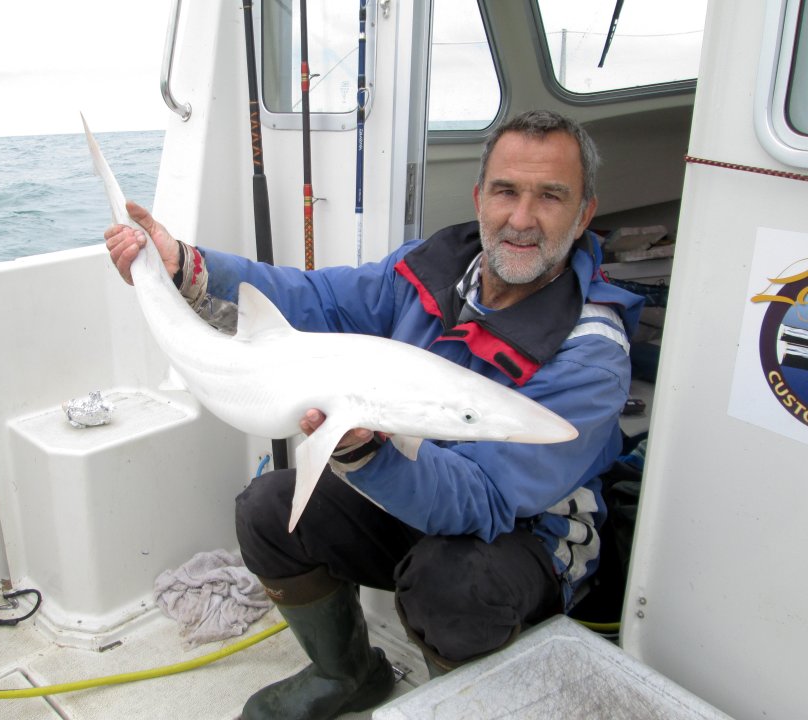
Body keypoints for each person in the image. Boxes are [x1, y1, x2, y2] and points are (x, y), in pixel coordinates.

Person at [105, 109, 643, 720]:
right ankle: (348, 673)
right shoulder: (432, 267)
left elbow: (485, 500)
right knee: (267, 509)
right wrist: (184, 266)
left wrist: (363, 454)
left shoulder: (591, 356)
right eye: (506, 192)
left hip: (526, 538)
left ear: (584, 213)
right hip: (406, 479)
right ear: (479, 197)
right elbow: (322, 299)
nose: (521, 219)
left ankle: (466, 702)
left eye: (550, 196)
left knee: (451, 586)